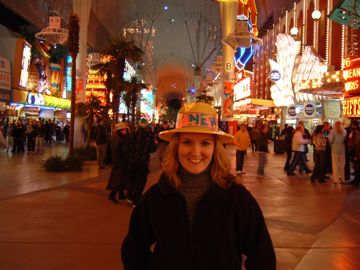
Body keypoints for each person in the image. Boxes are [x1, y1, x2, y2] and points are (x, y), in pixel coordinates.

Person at [122, 102, 276, 270]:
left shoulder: (236, 197)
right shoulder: (157, 196)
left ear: (215, 148)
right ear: (176, 146)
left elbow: (262, 255)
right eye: (187, 142)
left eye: (205, 143)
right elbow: (133, 250)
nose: (196, 152)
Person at [126, 118, 157, 206]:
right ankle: (135, 200)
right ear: (146, 125)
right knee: (141, 181)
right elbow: (152, 149)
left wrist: (130, 156)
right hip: (142, 161)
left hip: (132, 160)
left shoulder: (132, 134)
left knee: (132, 178)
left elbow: (127, 147)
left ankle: (129, 196)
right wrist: (155, 143)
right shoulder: (149, 135)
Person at [106, 122, 131, 203]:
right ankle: (112, 195)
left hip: (115, 160)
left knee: (119, 177)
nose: (126, 130)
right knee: (119, 178)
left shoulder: (113, 138)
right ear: (121, 130)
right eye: (125, 129)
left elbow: (109, 149)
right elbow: (125, 151)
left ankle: (121, 194)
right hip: (122, 160)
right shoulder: (123, 139)